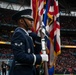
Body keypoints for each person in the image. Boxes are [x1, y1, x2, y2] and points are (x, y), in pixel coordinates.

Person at [9, 8, 48, 75]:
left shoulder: (26, 35)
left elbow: (34, 52)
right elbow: (20, 56)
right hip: (21, 72)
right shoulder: (19, 34)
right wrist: (39, 58)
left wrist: (38, 38)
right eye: (29, 20)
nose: (32, 22)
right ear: (21, 21)